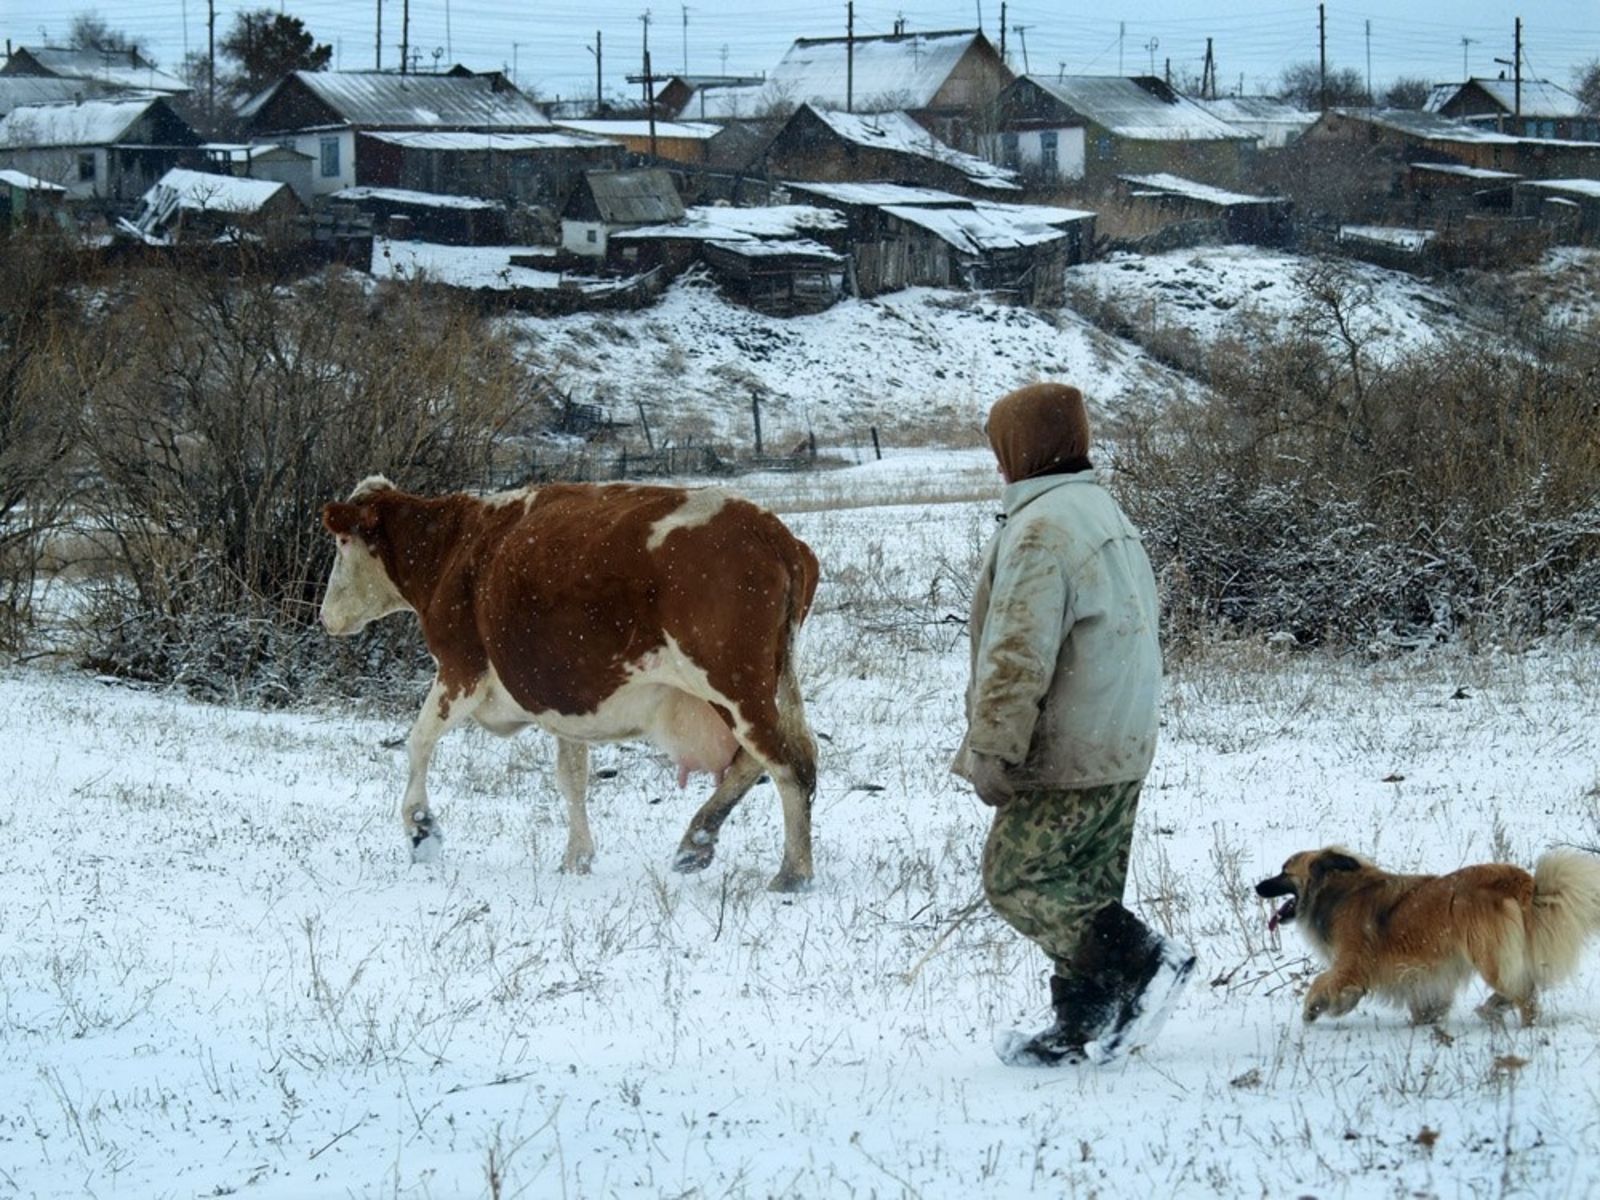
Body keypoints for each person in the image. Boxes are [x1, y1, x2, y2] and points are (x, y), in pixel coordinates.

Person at [953, 381, 1195, 1067]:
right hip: (1122, 738)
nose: (998, 465)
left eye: (1001, 448)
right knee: (1087, 889)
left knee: (1018, 879)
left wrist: (994, 746)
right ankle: (1085, 1021)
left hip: (1070, 746)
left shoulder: (1041, 530)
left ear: (1023, 449)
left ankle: (1145, 964)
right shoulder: (1099, 510)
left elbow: (1017, 653)